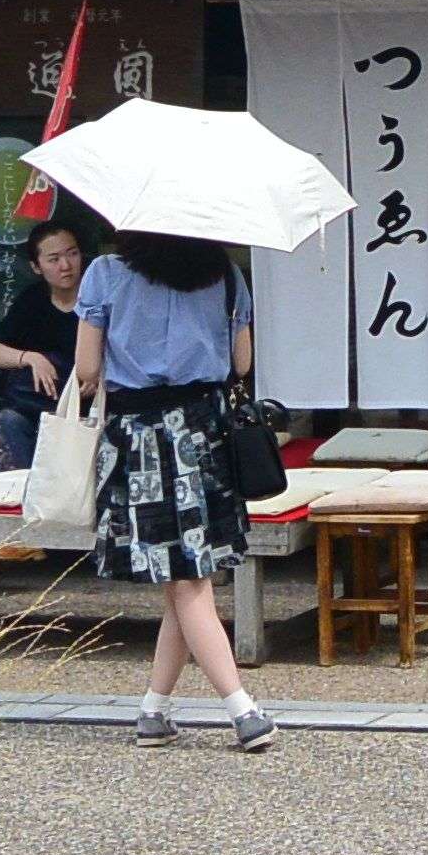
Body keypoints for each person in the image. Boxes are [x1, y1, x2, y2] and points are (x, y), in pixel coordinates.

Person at [69, 228, 276, 750]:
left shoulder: (105, 274)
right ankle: (241, 709)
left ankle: (156, 711)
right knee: (189, 580)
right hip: (204, 434)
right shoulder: (225, 275)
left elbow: (87, 370)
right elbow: (242, 363)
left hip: (139, 437)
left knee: (184, 584)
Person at [0, 216, 98, 475]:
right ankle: (16, 499)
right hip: (38, 407)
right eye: (54, 259)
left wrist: (99, 375)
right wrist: (31, 358)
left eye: (72, 254)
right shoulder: (33, 300)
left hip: (89, 406)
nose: (66, 265)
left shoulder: (99, 296)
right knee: (8, 421)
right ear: (36, 266)